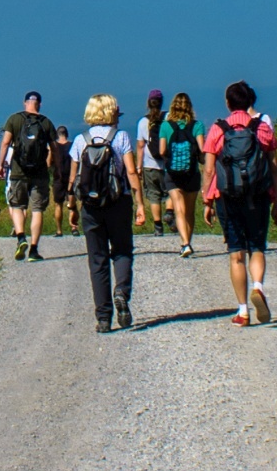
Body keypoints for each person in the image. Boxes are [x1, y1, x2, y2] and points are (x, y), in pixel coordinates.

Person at [207, 79, 277, 325]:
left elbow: (209, 170)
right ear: (250, 101)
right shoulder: (262, 129)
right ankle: (258, 286)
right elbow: (273, 167)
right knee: (257, 247)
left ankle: (243, 311)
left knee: (236, 254)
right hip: (258, 196)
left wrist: (208, 201)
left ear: (228, 103)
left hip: (228, 198)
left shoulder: (218, 129)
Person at [70, 94, 140, 331]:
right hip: (118, 202)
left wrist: (72, 206)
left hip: (90, 207)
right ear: (111, 111)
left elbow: (74, 178)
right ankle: (121, 290)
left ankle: (103, 317)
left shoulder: (81, 140)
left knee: (97, 259)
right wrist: (140, 203)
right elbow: (130, 172)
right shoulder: (120, 138)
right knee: (122, 251)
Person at [0, 90, 54, 259]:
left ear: (24, 102)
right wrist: (52, 166)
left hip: (18, 170)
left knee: (17, 205)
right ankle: (34, 250)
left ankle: (21, 236)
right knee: (37, 209)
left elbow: (6, 142)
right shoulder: (46, 123)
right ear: (40, 104)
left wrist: (1, 165)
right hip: (40, 172)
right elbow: (54, 148)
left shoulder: (14, 119)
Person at [150, 91, 204, 252]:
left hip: (172, 173)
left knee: (178, 209)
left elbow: (161, 150)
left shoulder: (166, 126)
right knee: (190, 211)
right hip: (192, 172)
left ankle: (184, 243)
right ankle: (189, 239)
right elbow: (202, 149)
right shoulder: (197, 125)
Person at [137, 90, 167, 227]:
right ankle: (170, 213)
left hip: (149, 164)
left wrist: (138, 166)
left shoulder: (143, 122)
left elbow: (140, 146)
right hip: (166, 163)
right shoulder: (168, 118)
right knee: (169, 192)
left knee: (154, 196)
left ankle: (158, 225)